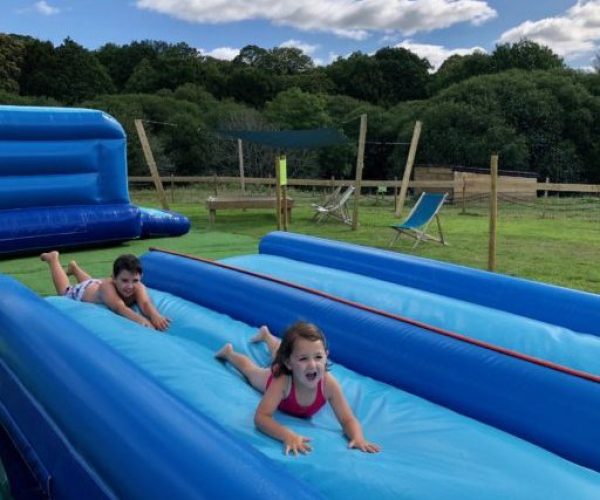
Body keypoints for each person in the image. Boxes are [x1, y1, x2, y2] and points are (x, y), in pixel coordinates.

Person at [215, 321, 380, 456]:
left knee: (279, 353)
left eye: (318, 357)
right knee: (251, 372)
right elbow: (261, 417)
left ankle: (266, 336)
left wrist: (358, 438)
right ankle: (230, 354)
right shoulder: (281, 382)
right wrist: (287, 435)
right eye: (303, 358)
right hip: (277, 374)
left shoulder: (328, 384)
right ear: (290, 363)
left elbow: (347, 419)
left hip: (288, 362)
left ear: (326, 356)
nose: (312, 364)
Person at [40, 251, 170, 331]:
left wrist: (155, 316)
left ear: (140, 278)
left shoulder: (138, 286)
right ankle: (53, 259)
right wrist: (141, 321)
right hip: (83, 291)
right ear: (114, 278)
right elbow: (120, 308)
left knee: (92, 281)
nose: (130, 286)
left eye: (135, 280)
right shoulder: (107, 286)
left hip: (95, 284)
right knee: (64, 291)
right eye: (124, 281)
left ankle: (74, 269)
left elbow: (145, 303)